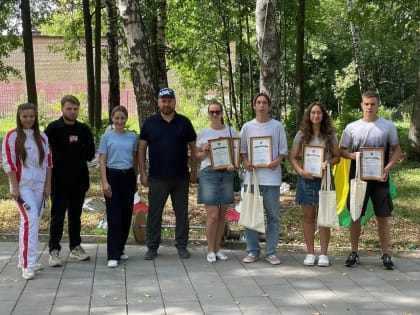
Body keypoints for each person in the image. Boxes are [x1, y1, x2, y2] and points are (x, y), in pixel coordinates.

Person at [340, 91, 401, 270]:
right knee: (355, 215)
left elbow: (397, 151)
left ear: (378, 105)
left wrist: (387, 168)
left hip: (380, 179)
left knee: (382, 217)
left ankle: (385, 254)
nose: (369, 107)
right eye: (366, 104)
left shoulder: (388, 126)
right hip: (358, 178)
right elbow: (342, 150)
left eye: (373, 104)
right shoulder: (351, 127)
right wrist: (352, 155)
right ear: (362, 105)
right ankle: (353, 252)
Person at [139, 87, 197, 260]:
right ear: (158, 102)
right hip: (157, 177)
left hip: (180, 177)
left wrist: (194, 170)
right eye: (163, 100)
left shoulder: (184, 122)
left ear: (174, 102)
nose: (166, 104)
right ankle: (152, 246)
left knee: (181, 213)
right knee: (154, 213)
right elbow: (141, 149)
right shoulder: (150, 123)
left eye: (169, 100)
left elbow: (194, 148)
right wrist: (142, 173)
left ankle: (181, 245)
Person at [2, 103, 52, 279]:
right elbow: (9, 163)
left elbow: (48, 163)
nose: (29, 119)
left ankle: (24, 259)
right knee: (30, 220)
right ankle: (28, 265)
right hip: (22, 187)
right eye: (25, 116)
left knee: (32, 222)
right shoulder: (12, 136)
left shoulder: (43, 137)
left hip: (39, 186)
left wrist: (48, 185)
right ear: (19, 116)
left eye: (32, 116)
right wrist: (14, 187)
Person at [45, 95, 95, 267]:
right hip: (58, 183)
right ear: (62, 109)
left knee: (75, 216)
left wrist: (81, 147)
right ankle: (54, 251)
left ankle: (75, 247)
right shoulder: (52, 129)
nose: (72, 112)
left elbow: (90, 155)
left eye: (75, 109)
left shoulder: (83, 130)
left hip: (79, 181)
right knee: (57, 217)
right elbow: (45, 156)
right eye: (69, 108)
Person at [289, 102, 340, 267]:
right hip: (306, 179)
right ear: (308, 115)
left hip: (325, 179)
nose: (316, 116)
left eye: (319, 113)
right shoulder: (301, 135)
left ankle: (324, 254)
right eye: (313, 113)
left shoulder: (330, 135)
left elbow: (337, 157)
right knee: (308, 217)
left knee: (324, 217)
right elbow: (292, 157)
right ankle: (310, 253)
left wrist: (327, 162)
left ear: (323, 115)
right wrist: (300, 171)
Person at [240, 92, 288, 265]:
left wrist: (277, 160)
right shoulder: (247, 127)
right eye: (258, 102)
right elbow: (243, 151)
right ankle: (253, 250)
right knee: (251, 214)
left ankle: (271, 252)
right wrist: (246, 162)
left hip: (272, 178)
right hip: (252, 178)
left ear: (268, 106)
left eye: (264, 103)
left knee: (273, 216)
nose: (261, 105)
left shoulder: (277, 126)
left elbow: (283, 150)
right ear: (254, 105)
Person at [196, 101, 238, 263]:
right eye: (212, 112)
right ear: (208, 114)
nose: (215, 115)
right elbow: (197, 156)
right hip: (209, 174)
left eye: (217, 112)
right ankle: (210, 250)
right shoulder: (203, 133)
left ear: (221, 113)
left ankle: (218, 249)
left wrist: (233, 164)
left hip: (226, 174)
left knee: (222, 215)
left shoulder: (231, 131)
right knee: (212, 215)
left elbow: (236, 152)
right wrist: (204, 150)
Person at [99, 106, 138, 268]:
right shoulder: (106, 137)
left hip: (128, 176)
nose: (119, 121)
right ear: (112, 119)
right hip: (112, 176)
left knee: (126, 215)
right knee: (114, 216)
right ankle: (112, 254)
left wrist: (135, 179)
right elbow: (102, 161)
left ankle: (120, 248)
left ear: (127, 119)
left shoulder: (132, 137)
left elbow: (135, 159)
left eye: (122, 118)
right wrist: (105, 181)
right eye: (116, 118)